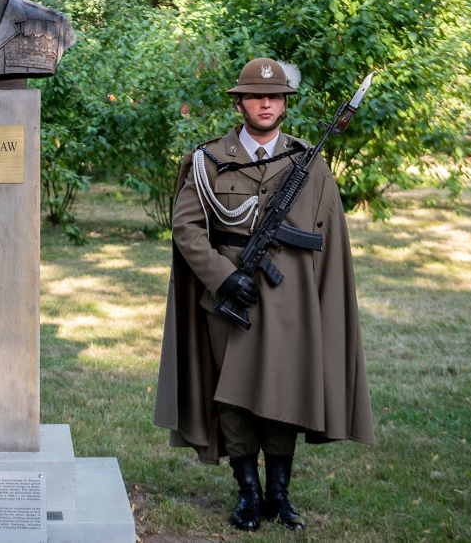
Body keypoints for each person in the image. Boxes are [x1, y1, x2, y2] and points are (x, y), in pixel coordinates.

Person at [153, 57, 374, 531]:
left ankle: (279, 493)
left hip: (288, 299)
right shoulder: (208, 159)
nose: (266, 103)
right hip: (229, 295)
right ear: (241, 102)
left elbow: (328, 238)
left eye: (275, 97)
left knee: (283, 390)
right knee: (231, 395)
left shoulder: (307, 164)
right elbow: (187, 227)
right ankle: (248, 494)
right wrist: (221, 276)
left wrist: (315, 299)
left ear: (285, 105)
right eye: (256, 96)